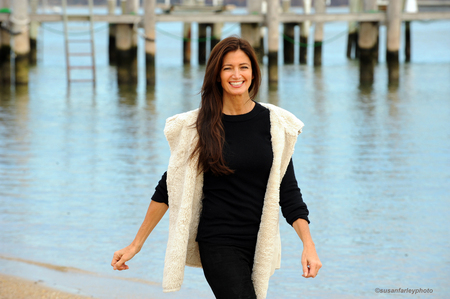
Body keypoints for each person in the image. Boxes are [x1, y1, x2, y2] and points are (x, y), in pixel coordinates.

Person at [111, 36, 321, 299]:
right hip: (218, 240)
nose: (236, 75)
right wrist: (135, 244)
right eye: (227, 68)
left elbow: (288, 193)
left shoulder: (274, 124)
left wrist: (308, 246)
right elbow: (168, 187)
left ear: (254, 73)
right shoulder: (198, 127)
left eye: (243, 67)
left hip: (258, 241)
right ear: (217, 75)